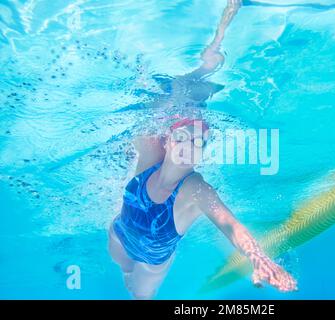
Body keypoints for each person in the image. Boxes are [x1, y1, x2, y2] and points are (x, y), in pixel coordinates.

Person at [108, 0, 298, 300]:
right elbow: (146, 104)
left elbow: (230, 225)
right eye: (184, 137)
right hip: (118, 235)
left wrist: (258, 259)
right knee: (122, 267)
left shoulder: (195, 190)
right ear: (167, 140)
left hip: (152, 264)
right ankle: (125, 272)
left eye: (198, 142)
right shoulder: (150, 150)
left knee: (136, 291)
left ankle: (131, 279)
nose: (190, 145)